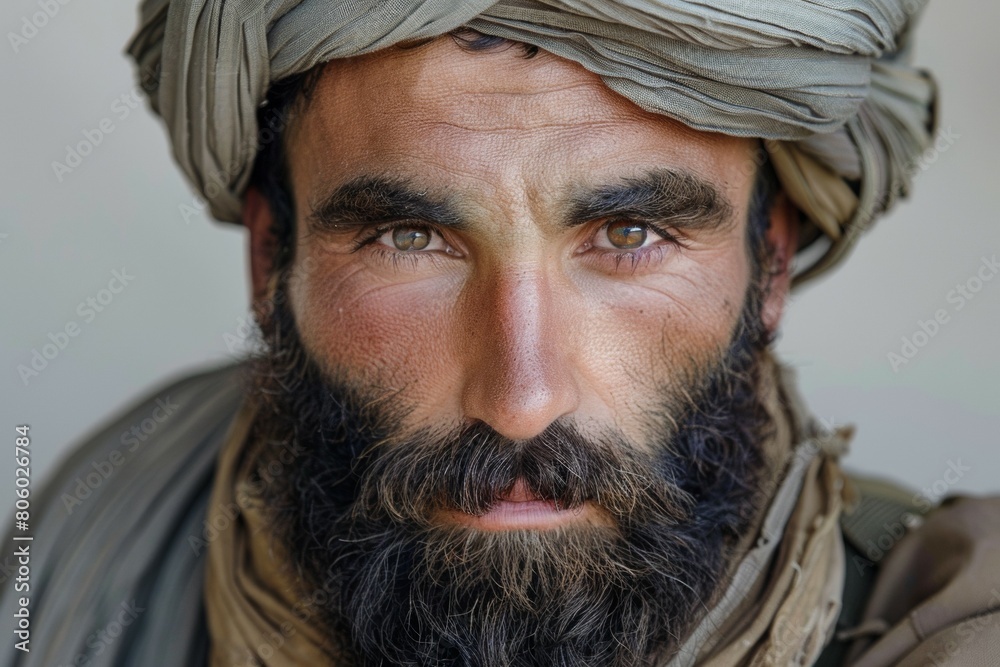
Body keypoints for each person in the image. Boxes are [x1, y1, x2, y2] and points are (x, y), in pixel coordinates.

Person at [3, 2, 999, 667]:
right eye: (410, 237)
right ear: (271, 263)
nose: (520, 397)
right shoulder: (77, 572)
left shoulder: (951, 623)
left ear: (769, 263)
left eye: (628, 234)